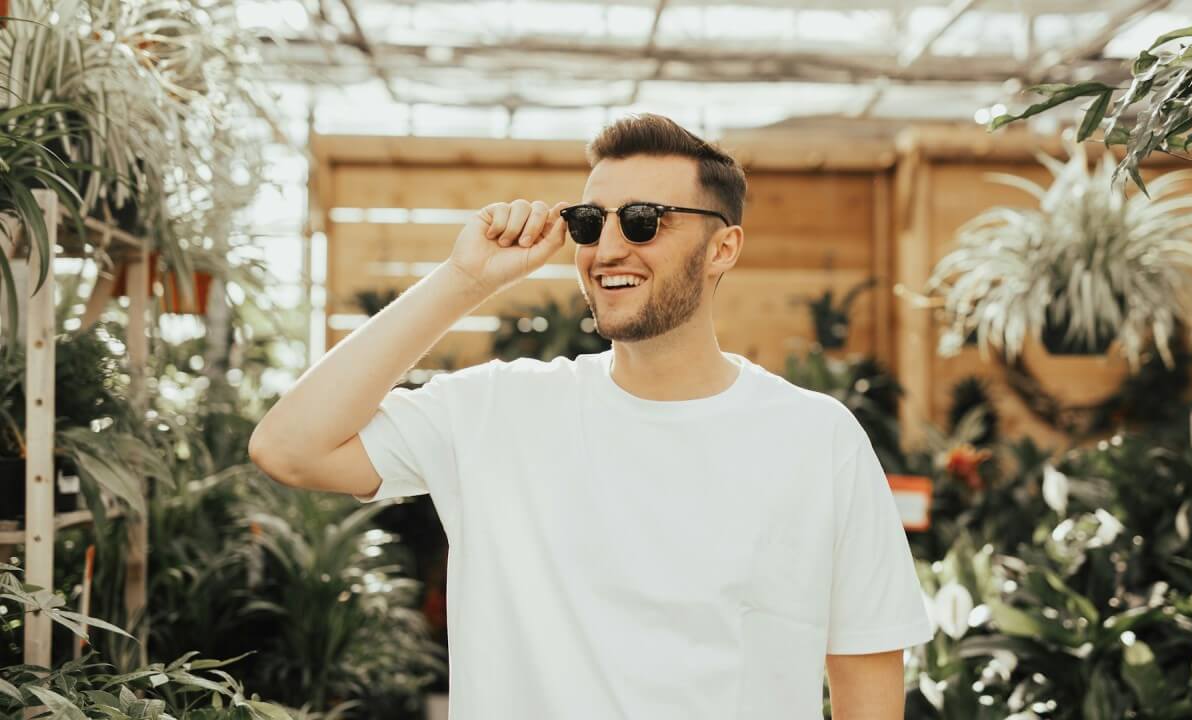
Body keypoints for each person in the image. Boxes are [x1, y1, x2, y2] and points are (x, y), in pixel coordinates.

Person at [249, 113, 934, 719]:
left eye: (643, 221)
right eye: (588, 222)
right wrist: (464, 282)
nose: (606, 250)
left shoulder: (816, 439)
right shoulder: (496, 410)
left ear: (723, 248)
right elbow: (289, 448)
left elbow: (867, 681)